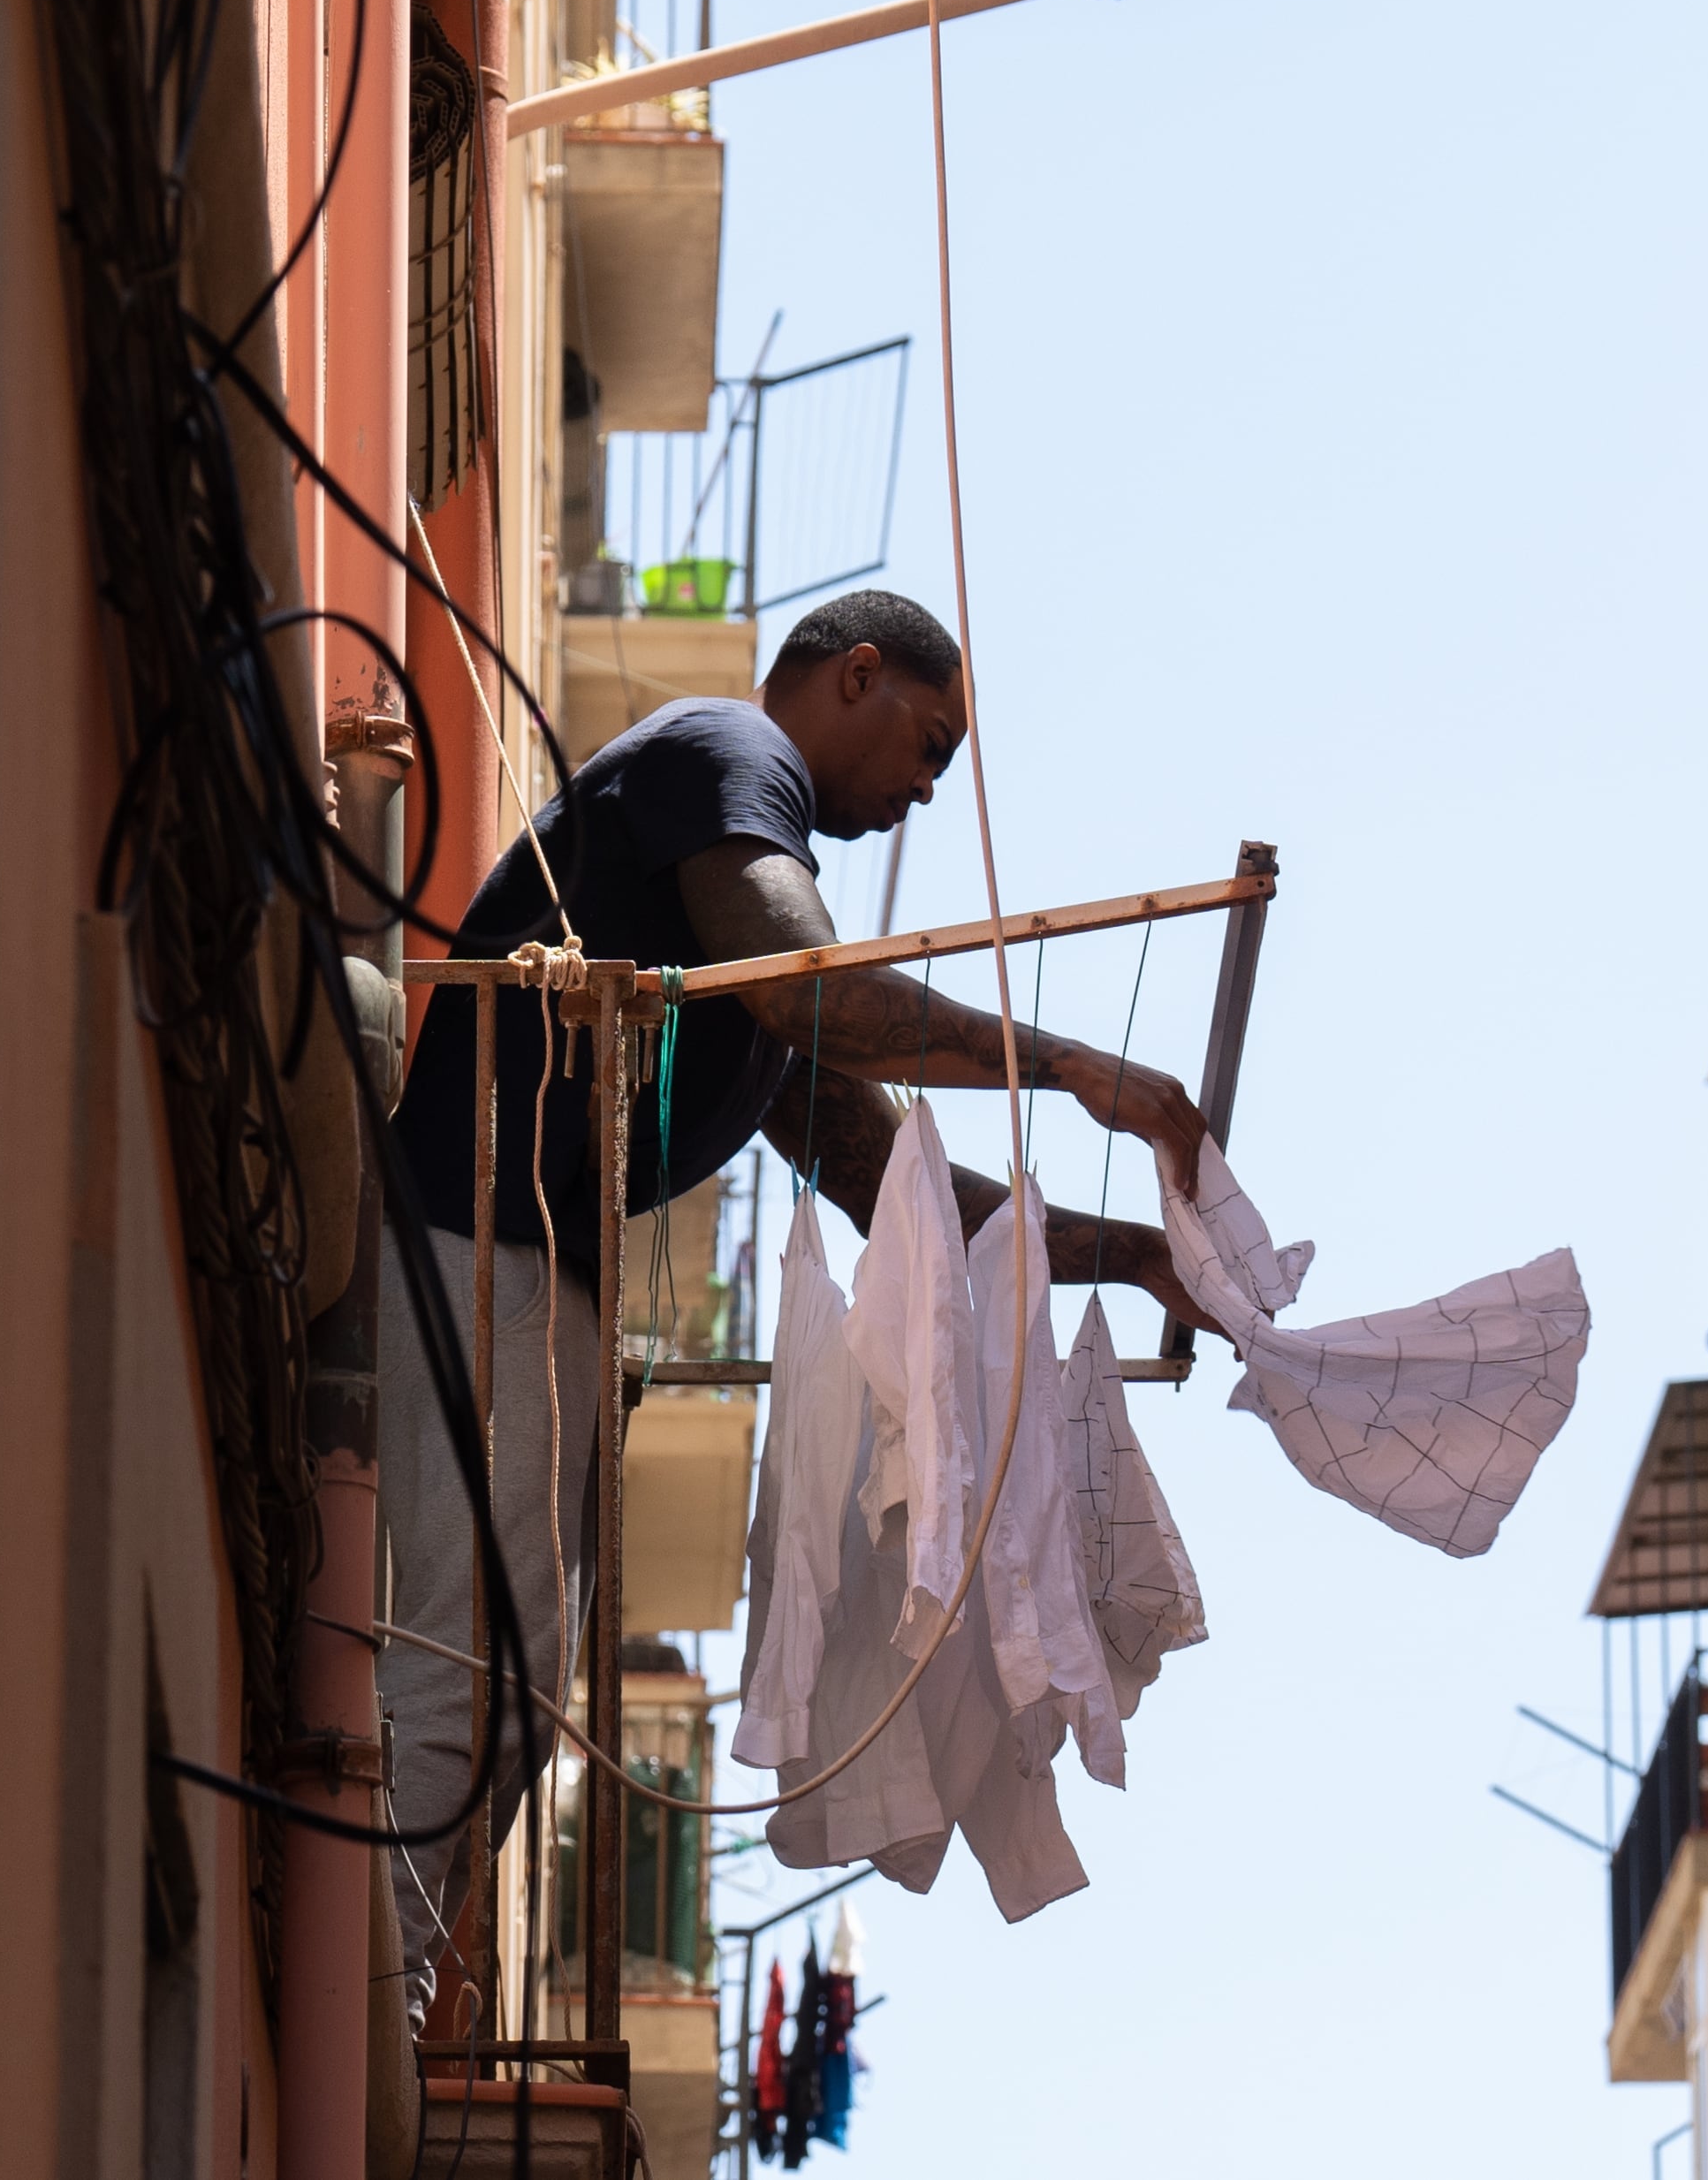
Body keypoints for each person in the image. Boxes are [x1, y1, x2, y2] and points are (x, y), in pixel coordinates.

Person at [374, 588, 1219, 1974]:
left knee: (509, 1678)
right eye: (930, 742)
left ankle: (376, 1998)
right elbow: (811, 983)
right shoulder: (730, 755)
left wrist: (1134, 1255)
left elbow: (903, 1194)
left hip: (523, 1279)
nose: (930, 788)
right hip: (481, 1256)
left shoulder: (749, 929)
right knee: (475, 1666)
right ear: (857, 675)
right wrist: (1081, 1071)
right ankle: (370, 2005)